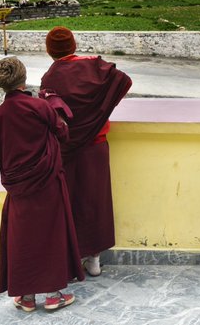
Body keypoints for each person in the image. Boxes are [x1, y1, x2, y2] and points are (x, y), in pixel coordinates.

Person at [0, 56, 82, 312]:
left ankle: (27, 297)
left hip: (17, 186)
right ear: (23, 79)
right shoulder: (40, 107)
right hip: (47, 181)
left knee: (22, 238)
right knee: (50, 234)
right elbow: (63, 133)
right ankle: (52, 295)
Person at [39, 26, 132, 278]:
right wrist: (103, 109)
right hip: (97, 144)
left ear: (49, 51)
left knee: (71, 201)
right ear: (74, 46)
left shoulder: (51, 77)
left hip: (68, 148)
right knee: (96, 201)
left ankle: (74, 258)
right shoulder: (93, 66)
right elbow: (124, 81)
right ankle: (95, 260)